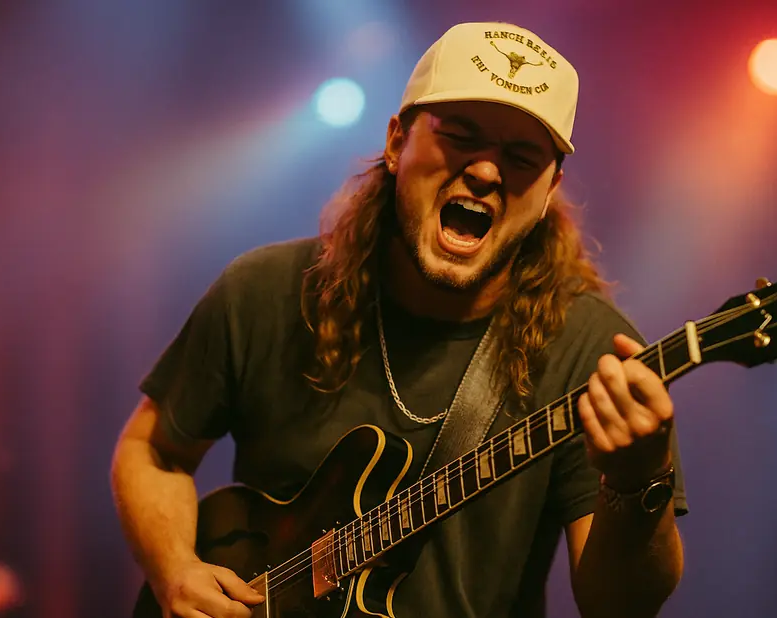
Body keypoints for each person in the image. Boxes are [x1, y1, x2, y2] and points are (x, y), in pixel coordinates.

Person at [110, 20, 689, 618]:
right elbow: (153, 451)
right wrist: (174, 570)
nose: (488, 173)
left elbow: (620, 605)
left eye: (521, 157)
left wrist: (633, 484)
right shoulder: (265, 292)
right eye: (460, 136)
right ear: (396, 143)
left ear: (548, 192)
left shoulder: (592, 351)